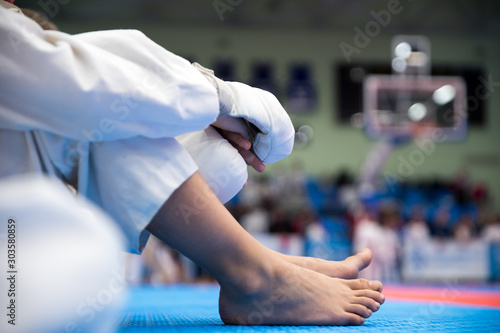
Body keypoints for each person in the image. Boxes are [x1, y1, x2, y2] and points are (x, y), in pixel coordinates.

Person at [0, 1, 384, 329]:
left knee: (149, 133)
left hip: (19, 280)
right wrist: (224, 99)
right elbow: (72, 76)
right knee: (109, 114)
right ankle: (255, 275)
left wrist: (207, 115)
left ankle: (255, 266)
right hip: (19, 293)